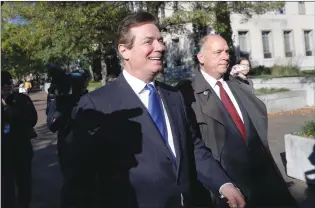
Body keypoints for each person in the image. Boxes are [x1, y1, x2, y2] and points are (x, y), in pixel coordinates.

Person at [61, 12, 245, 208]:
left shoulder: (173, 96)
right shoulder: (96, 105)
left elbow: (192, 146)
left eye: (160, 40)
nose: (160, 47)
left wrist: (223, 184)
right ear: (125, 51)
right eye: (149, 41)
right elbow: (79, 182)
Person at [178, 34, 297, 207]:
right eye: (218, 52)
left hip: (264, 182)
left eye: (227, 51)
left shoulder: (238, 85)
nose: (226, 56)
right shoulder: (187, 94)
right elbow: (193, 148)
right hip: (225, 190)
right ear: (201, 57)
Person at [1, 71, 38, 208]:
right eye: (2, 83)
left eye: (8, 83)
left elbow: (32, 119)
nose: (6, 86)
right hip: (3, 152)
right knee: (5, 187)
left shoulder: (22, 99)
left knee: (24, 183)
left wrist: (14, 113)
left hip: (21, 148)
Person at [46, 69, 90, 176]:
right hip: (67, 148)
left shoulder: (91, 99)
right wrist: (53, 98)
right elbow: (52, 124)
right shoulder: (62, 100)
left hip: (88, 149)